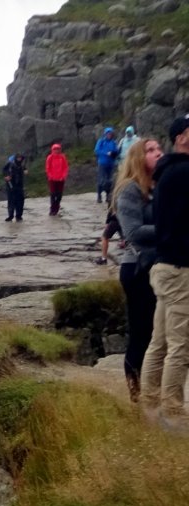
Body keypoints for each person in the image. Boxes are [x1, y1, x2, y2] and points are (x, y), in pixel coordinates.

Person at [143, 115, 189, 426]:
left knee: (159, 342)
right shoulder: (185, 171)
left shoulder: (166, 172)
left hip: (163, 266)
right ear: (183, 137)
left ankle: (148, 406)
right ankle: (173, 414)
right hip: (180, 268)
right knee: (180, 345)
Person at [115, 136, 163, 403]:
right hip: (136, 270)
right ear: (137, 157)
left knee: (161, 334)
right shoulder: (129, 189)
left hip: (161, 267)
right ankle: (135, 397)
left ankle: (155, 394)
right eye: (151, 150)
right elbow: (133, 232)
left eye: (159, 148)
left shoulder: (160, 187)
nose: (159, 152)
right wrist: (172, 230)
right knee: (141, 334)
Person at [95, 126, 120, 204]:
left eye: (110, 133)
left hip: (111, 164)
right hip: (102, 163)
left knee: (110, 180)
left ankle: (108, 196)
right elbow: (97, 150)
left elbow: (116, 151)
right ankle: (99, 195)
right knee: (102, 180)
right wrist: (106, 153)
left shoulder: (113, 142)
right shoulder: (101, 141)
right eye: (108, 133)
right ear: (105, 134)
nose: (109, 135)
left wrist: (114, 153)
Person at [45, 143, 69, 216]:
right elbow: (47, 168)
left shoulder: (62, 157)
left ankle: (56, 207)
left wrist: (63, 176)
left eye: (58, 149)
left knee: (59, 195)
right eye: (55, 149)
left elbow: (65, 167)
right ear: (52, 150)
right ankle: (52, 209)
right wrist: (50, 176)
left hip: (61, 179)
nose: (56, 151)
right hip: (52, 179)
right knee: (53, 194)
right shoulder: (50, 157)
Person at [3, 153, 27, 222]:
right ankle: (10, 216)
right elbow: (4, 170)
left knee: (20, 201)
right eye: (18, 158)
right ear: (15, 158)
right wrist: (6, 176)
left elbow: (25, 170)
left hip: (19, 186)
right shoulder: (10, 164)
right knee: (11, 201)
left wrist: (25, 171)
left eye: (20, 158)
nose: (19, 159)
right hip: (11, 185)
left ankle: (18, 216)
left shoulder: (22, 165)